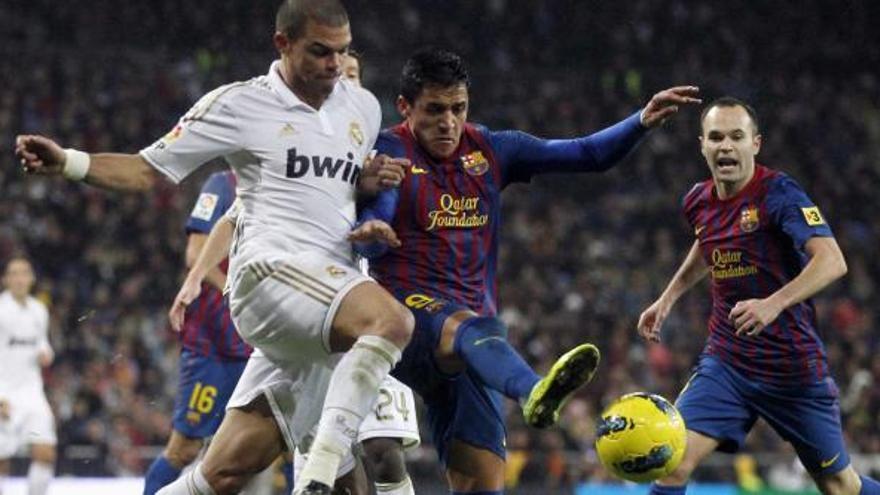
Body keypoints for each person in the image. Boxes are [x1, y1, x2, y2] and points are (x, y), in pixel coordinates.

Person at [15, 1, 415, 494]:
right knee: (393, 322)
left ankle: (318, 466)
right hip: (271, 276)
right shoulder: (239, 104)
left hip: (328, 299)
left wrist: (367, 185)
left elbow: (339, 192)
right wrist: (69, 163)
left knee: (223, 473)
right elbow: (147, 169)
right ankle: (315, 472)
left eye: (342, 52)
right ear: (282, 44)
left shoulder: (362, 107)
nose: (334, 65)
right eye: (320, 52)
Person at [350, 48, 701, 494]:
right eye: (434, 110)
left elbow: (585, 154)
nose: (448, 122)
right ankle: (535, 391)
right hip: (404, 317)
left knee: (482, 485)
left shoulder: (492, 149)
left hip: (477, 347)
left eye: (458, 109)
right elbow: (382, 197)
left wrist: (640, 121)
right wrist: (371, 223)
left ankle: (526, 389)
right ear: (405, 107)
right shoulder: (389, 148)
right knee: (464, 328)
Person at [166, 52, 421, 495]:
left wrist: (375, 215)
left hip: (365, 320)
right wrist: (197, 275)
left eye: (353, 80)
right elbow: (235, 215)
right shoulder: (296, 161)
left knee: (383, 451)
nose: (342, 87)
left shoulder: (386, 157)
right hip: (312, 309)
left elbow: (397, 224)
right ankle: (319, 468)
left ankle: (320, 468)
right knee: (224, 469)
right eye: (338, 79)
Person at [636, 97, 880, 495]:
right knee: (671, 460)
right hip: (727, 363)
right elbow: (707, 245)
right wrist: (667, 298)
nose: (726, 146)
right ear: (702, 145)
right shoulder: (697, 200)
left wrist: (773, 303)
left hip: (792, 370)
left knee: (840, 486)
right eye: (716, 137)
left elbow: (832, 261)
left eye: (736, 136)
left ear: (756, 144)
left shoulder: (778, 193)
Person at [142, 170, 255, 494]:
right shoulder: (222, 184)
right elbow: (195, 253)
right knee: (185, 449)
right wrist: (234, 289)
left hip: (261, 346)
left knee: (281, 447)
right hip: (213, 347)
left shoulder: (284, 183)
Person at [0, 255, 56, 495]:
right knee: (2, 460)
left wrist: (46, 353)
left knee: (46, 452)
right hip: (5, 393)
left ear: (31, 279)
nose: (19, 279)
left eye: (24, 273)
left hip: (32, 393)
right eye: (14, 273)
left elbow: (43, 344)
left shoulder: (39, 310)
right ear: (6, 280)